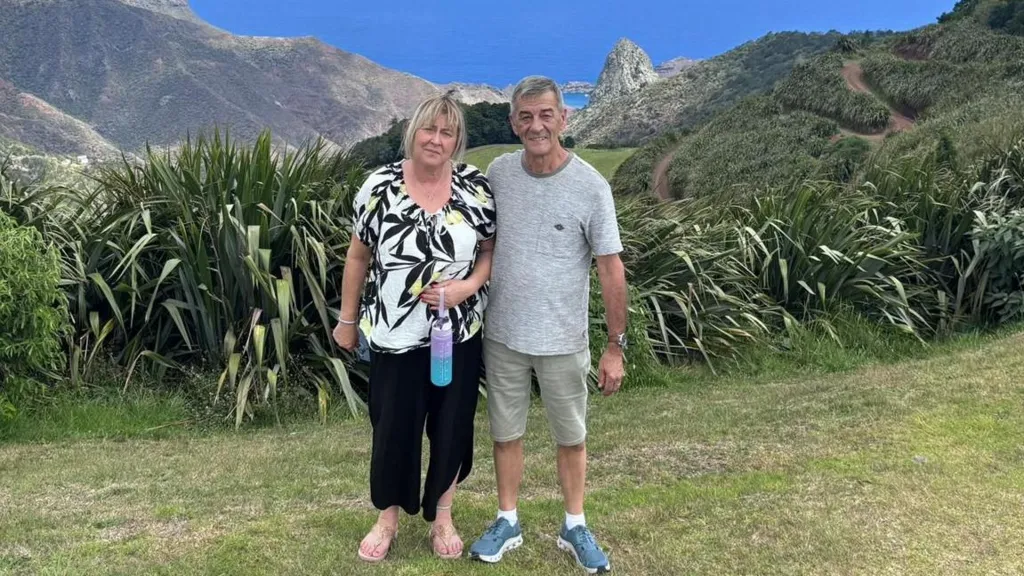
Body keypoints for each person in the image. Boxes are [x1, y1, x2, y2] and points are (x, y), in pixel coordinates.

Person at [468, 76, 628, 574]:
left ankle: (574, 524)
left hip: (563, 339)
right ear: (513, 122)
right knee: (505, 433)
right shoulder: (497, 173)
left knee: (571, 436)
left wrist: (615, 346)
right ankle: (507, 519)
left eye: (545, 115)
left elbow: (610, 268)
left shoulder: (590, 186)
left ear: (564, 118)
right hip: (503, 335)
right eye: (525, 116)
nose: (536, 125)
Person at [333, 91, 496, 562]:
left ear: (457, 141)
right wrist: (347, 321)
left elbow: (488, 251)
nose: (437, 139)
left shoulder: (475, 187)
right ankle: (387, 517)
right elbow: (358, 256)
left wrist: (468, 287)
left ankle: (443, 515)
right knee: (392, 429)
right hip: (394, 335)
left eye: (448, 132)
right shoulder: (380, 185)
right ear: (413, 132)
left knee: (451, 426)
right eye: (429, 129)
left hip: (458, 335)